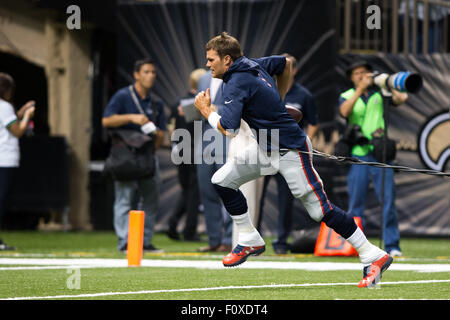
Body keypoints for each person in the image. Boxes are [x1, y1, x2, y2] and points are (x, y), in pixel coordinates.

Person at [194, 32, 392, 288]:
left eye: (211, 59)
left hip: (290, 150)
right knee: (222, 180)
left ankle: (373, 255)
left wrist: (206, 111)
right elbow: (284, 63)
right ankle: (249, 237)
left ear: (228, 60)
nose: (208, 64)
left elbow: (229, 129)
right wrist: (279, 98)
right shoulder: (254, 63)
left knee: (319, 210)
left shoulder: (236, 81)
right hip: (267, 148)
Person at [339, 60, 408, 257]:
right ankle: (355, 245)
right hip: (358, 154)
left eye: (365, 72)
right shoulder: (346, 95)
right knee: (356, 202)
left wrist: (386, 83)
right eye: (357, 73)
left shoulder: (380, 93)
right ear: (352, 78)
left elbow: (401, 98)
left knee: (388, 200)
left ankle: (392, 244)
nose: (361, 76)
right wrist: (359, 89)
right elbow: (344, 112)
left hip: (380, 153)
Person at [102, 58, 166, 253]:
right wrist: (131, 118)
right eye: (146, 72)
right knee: (124, 198)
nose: (151, 76)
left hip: (147, 155)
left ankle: (144, 242)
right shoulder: (123, 96)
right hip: (125, 155)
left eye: (153, 72)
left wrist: (154, 143)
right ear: (136, 74)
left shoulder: (156, 102)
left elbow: (161, 133)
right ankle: (125, 243)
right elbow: (106, 121)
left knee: (151, 198)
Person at [258, 53, 320, 254]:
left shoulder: (303, 95)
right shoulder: (266, 88)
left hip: (286, 152)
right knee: (255, 196)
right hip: (264, 150)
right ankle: (252, 240)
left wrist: (301, 143)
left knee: (286, 199)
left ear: (294, 70)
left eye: (287, 66)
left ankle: (281, 242)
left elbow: (313, 123)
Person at [194, 70, 232, 253]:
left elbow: (243, 105)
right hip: (205, 140)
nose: (208, 63)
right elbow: (199, 110)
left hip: (228, 139)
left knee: (229, 190)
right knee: (206, 191)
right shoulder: (203, 79)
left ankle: (229, 239)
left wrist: (216, 110)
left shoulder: (237, 77)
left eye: (211, 59)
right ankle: (214, 240)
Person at [166, 68, 206, 241]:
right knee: (194, 192)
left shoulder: (177, 103)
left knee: (187, 191)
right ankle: (190, 231)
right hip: (194, 149)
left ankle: (173, 223)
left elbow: (171, 128)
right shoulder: (199, 103)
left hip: (180, 149)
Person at [0, 72, 36, 251]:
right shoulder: (4, 106)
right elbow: (17, 131)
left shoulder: (5, 108)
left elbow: (9, 122)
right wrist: (28, 116)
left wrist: (21, 111)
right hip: (4, 158)